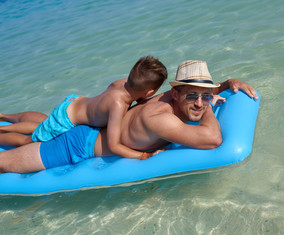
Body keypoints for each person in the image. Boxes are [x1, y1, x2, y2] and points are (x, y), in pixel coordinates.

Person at [0, 60, 258, 174]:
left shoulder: (170, 95)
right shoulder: (162, 117)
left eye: (204, 94)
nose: (200, 103)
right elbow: (213, 139)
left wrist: (227, 83)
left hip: (87, 128)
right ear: (176, 92)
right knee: (5, 163)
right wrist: (211, 105)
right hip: (78, 146)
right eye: (193, 96)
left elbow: (199, 91)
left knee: (36, 131)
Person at [0, 56, 167, 159]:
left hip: (74, 103)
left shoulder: (123, 83)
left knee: (41, 126)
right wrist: (143, 155)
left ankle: (4, 117)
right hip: (66, 119)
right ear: (150, 91)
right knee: (28, 141)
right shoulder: (117, 105)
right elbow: (114, 145)